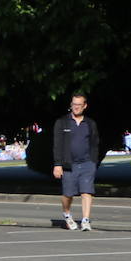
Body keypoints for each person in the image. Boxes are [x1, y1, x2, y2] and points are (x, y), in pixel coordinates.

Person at [53, 94, 99, 231]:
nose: (76, 107)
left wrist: (93, 161)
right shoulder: (62, 122)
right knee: (68, 194)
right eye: (74, 104)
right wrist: (57, 164)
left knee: (87, 192)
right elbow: (57, 144)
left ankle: (85, 220)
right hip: (68, 165)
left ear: (85, 106)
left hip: (87, 163)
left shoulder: (90, 123)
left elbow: (95, 143)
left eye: (79, 104)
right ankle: (67, 214)